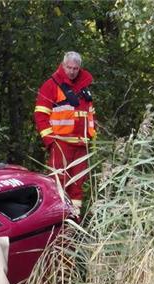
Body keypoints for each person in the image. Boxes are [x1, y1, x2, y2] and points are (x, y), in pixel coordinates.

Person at [34, 51, 96, 215]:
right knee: (58, 183)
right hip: (61, 143)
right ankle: (57, 219)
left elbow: (90, 115)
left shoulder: (84, 87)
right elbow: (40, 115)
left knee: (78, 185)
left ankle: (74, 222)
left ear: (79, 68)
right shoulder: (51, 85)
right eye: (69, 67)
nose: (72, 71)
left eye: (75, 68)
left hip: (81, 145)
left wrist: (91, 139)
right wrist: (50, 141)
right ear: (63, 66)